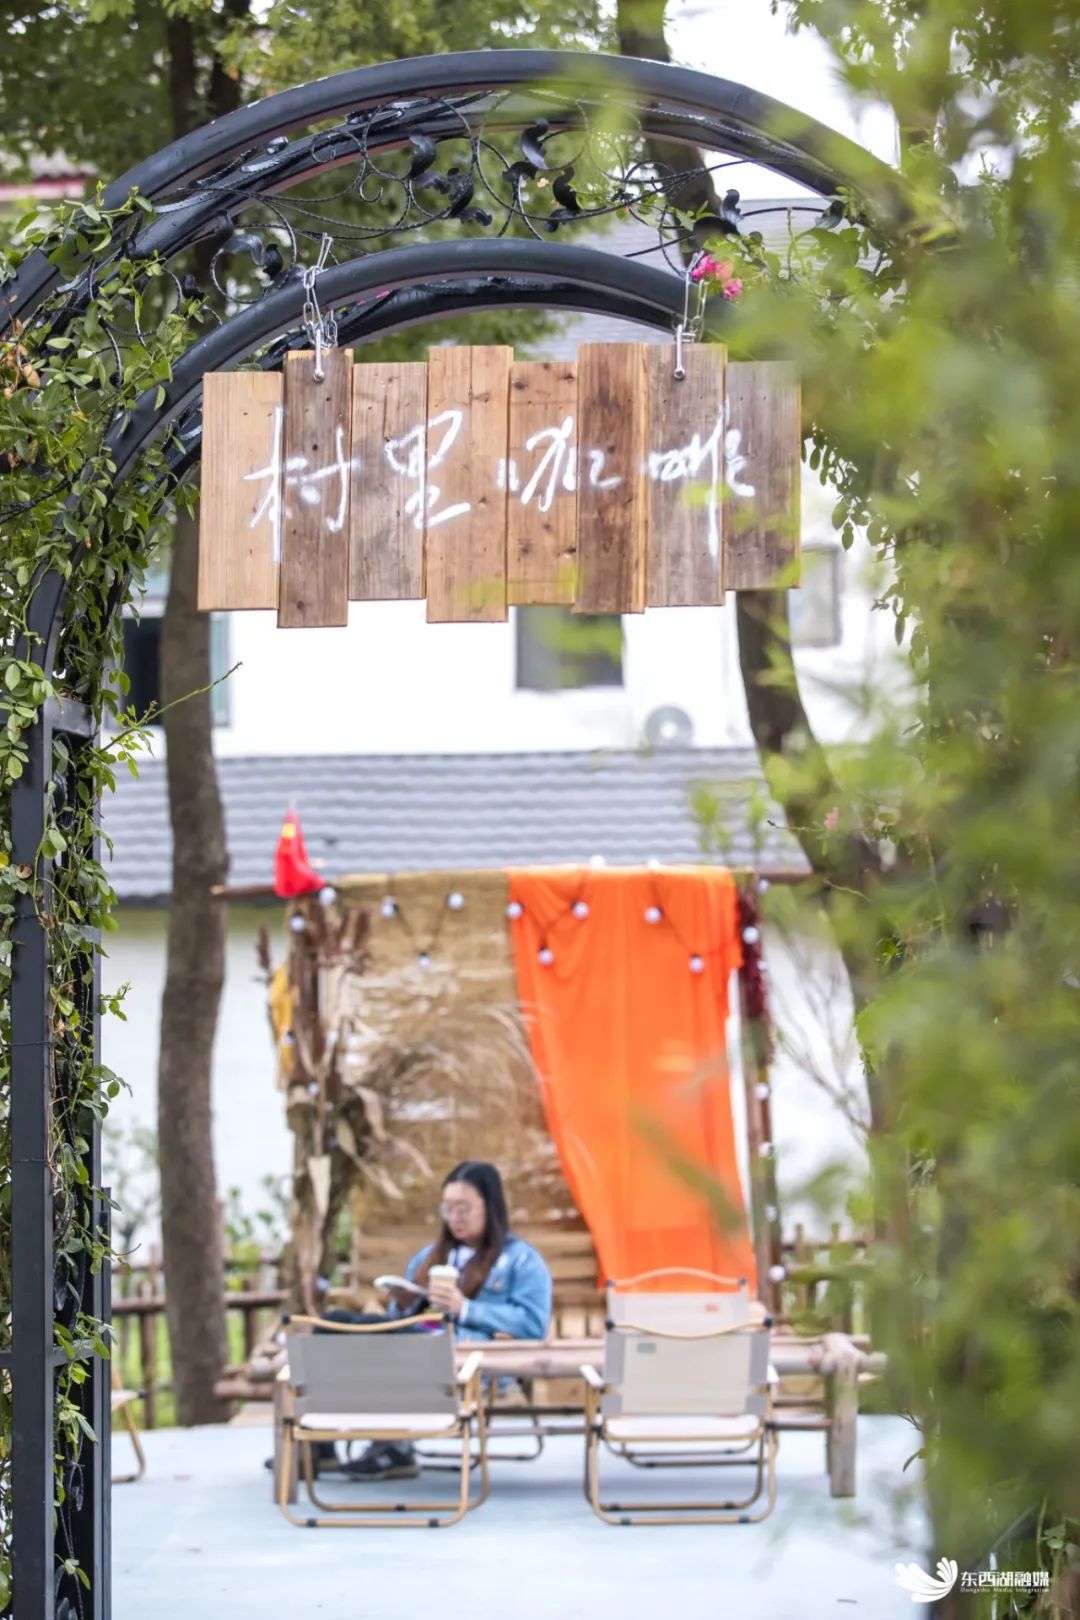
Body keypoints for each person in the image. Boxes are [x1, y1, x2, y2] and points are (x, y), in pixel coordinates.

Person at [328, 1161, 553, 1482]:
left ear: (490, 1206)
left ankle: (392, 1445)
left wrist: (466, 1309)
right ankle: (320, 1447)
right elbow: (405, 1320)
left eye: (463, 1208)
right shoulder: (430, 1257)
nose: (454, 1218)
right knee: (333, 1323)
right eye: (447, 1208)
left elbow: (533, 1323)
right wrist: (403, 1303)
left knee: (382, 1339)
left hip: (466, 1355)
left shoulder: (521, 1260)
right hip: (418, 1339)